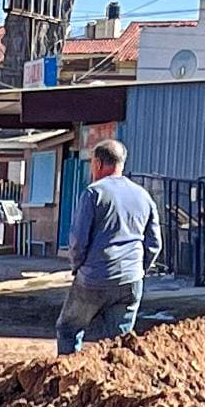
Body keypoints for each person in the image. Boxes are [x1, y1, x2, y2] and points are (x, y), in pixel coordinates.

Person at [59, 134, 152, 354]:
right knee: (118, 342)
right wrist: (139, 269)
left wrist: (78, 266)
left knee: (69, 329)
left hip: (94, 277)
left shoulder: (94, 193)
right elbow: (154, 243)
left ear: (98, 163)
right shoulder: (143, 196)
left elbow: (78, 239)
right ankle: (116, 384)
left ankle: (65, 377)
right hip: (131, 280)